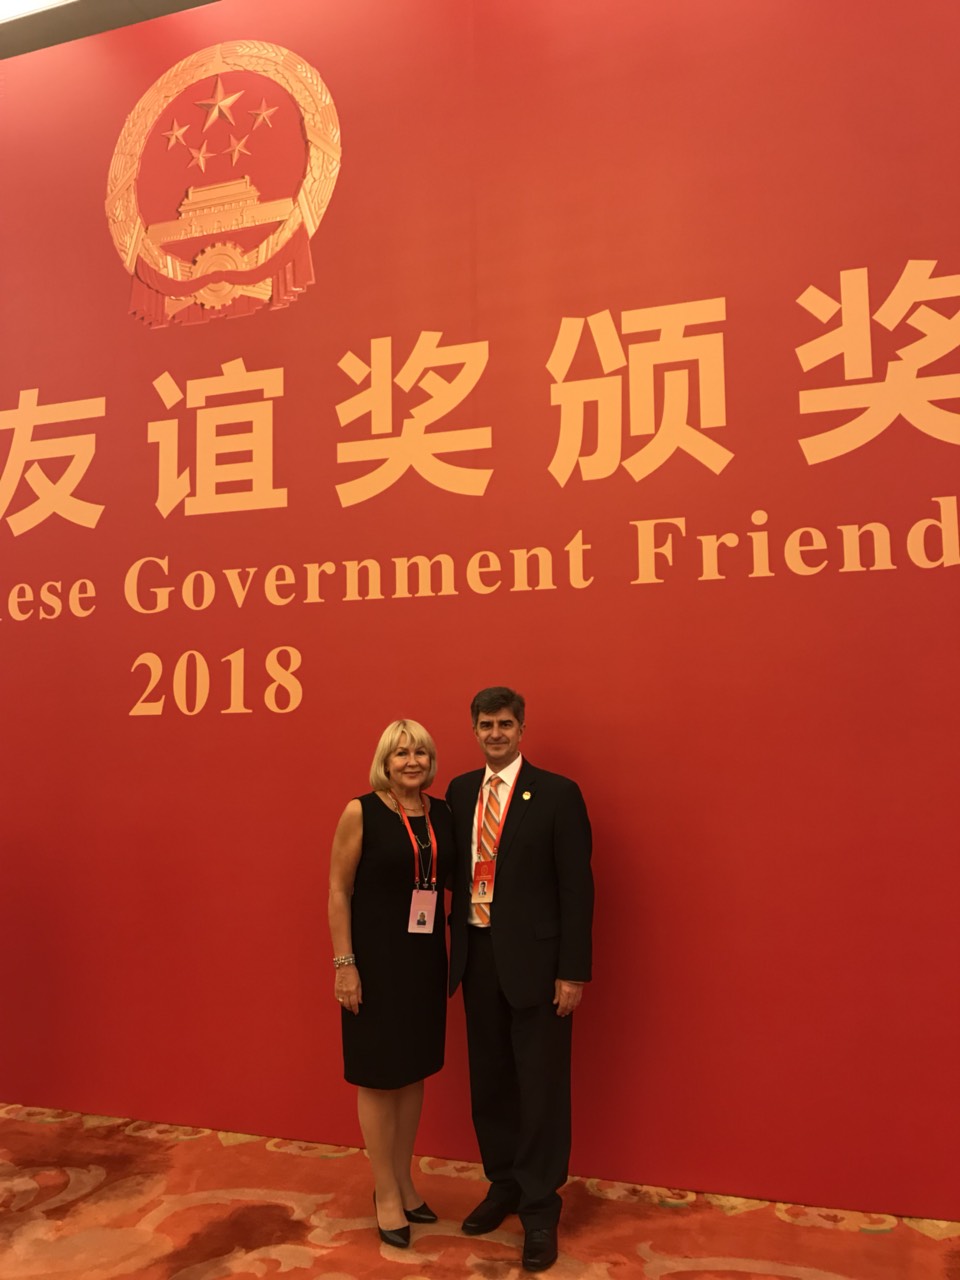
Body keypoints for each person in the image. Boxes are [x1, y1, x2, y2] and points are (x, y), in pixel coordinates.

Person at [446, 687, 594, 1274]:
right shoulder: (459, 792)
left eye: (506, 724)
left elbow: (576, 890)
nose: (496, 733)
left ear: (522, 728)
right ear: (474, 729)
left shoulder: (558, 794)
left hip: (538, 970)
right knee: (491, 1083)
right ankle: (502, 1184)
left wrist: (573, 972)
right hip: (476, 960)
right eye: (486, 724)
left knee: (540, 1088)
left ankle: (539, 1208)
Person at [328, 719, 453, 1249]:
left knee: (413, 1072)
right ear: (385, 759)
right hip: (373, 964)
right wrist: (344, 963)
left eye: (420, 753)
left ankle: (405, 1180)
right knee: (379, 1078)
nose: (411, 762)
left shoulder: (442, 813)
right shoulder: (361, 811)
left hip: (424, 961)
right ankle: (383, 1192)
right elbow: (338, 889)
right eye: (401, 753)